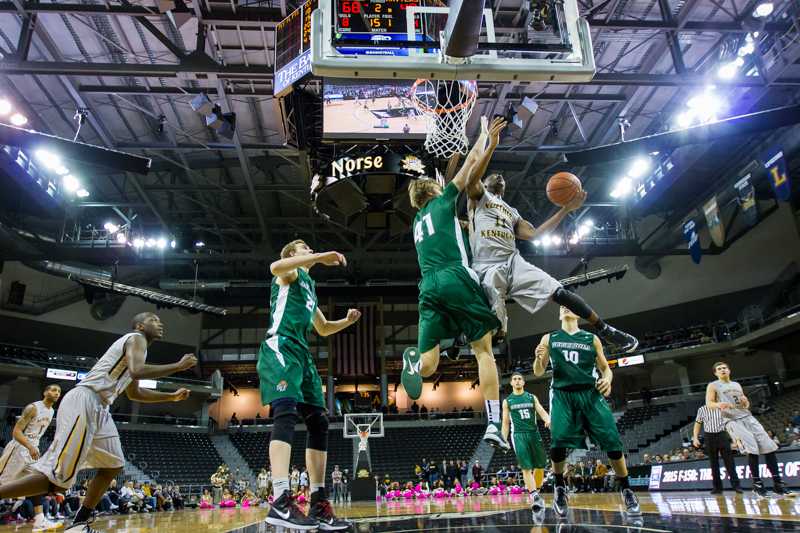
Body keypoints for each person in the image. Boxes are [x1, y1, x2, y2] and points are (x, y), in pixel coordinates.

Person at [0, 312, 196, 532]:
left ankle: (80, 521)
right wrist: (178, 366)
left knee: (114, 464)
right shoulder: (136, 338)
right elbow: (137, 370)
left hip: (100, 407)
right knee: (57, 479)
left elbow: (134, 393)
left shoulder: (139, 348)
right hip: (85, 399)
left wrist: (170, 397)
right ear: (140, 325)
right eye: (154, 320)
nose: (160, 323)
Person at [401, 116, 509, 451]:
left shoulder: (418, 222)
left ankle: (414, 362)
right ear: (433, 192)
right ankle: (493, 422)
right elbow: (468, 169)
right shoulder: (443, 200)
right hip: (453, 276)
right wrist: (482, 137)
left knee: (430, 366)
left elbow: (446, 231)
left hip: (428, 286)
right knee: (483, 350)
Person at [465, 150, 637, 353]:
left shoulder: (512, 212)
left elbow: (535, 234)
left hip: (512, 261)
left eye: (502, 177)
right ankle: (471, 336)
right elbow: (471, 180)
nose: (500, 176)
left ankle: (606, 330)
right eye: (493, 175)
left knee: (559, 291)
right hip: (486, 264)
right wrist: (491, 144)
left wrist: (566, 210)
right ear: (484, 184)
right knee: (493, 328)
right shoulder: (478, 198)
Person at [261, 240, 359, 530]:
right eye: (304, 247)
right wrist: (322, 255)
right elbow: (274, 266)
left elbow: (324, 327)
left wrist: (347, 321)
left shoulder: (309, 287)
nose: (309, 250)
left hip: (302, 354)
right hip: (281, 345)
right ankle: (280, 499)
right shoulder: (289, 273)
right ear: (292, 253)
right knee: (286, 412)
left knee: (319, 421)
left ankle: (318, 503)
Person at [534, 306, 640, 519]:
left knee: (612, 440)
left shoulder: (591, 339)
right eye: (562, 306)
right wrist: (538, 359)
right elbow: (538, 371)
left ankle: (627, 489)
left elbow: (606, 368)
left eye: (569, 306)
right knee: (559, 440)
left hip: (590, 393)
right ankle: (560, 488)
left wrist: (608, 380)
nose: (565, 307)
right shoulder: (549, 338)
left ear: (578, 314)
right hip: (562, 395)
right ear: (559, 314)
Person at [706, 361, 791, 497]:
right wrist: (718, 404)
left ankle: (778, 484)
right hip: (732, 421)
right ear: (715, 373)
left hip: (747, 417)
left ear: (729, 370)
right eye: (719, 369)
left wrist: (747, 402)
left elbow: (744, 404)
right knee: (752, 449)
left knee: (769, 447)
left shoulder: (736, 385)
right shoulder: (713, 385)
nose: (722, 370)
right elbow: (709, 403)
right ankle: (757, 485)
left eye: (724, 368)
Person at [0, 383, 62, 531]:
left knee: (36, 483)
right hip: (19, 449)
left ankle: (39, 521)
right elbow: (16, 432)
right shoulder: (33, 408)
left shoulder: (51, 411)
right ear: (45, 392)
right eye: (53, 390)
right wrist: (30, 446)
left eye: (59, 391)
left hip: (33, 450)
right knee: (3, 484)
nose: (57, 393)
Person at [501, 370, 550, 513]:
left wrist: (548, 420)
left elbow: (541, 410)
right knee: (526, 467)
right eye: (514, 379)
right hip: (518, 435)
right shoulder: (507, 401)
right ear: (511, 382)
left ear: (523, 382)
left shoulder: (531, 397)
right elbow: (505, 423)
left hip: (534, 433)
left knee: (540, 466)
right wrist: (504, 439)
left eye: (519, 379)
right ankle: (534, 495)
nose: (517, 381)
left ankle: (537, 492)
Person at [693, 403, 741, 494]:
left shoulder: (722, 407)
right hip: (709, 436)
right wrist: (695, 437)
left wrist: (735, 439)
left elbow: (729, 424)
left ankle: (736, 486)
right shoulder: (702, 409)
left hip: (722, 434)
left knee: (730, 462)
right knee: (713, 463)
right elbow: (697, 424)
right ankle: (717, 488)